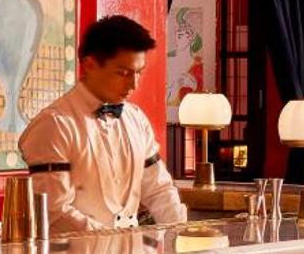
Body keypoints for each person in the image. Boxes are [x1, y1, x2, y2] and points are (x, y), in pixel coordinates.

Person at [18, 15, 187, 235]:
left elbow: (159, 190)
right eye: (123, 73)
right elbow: (56, 213)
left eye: (138, 73)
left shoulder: (136, 120)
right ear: (90, 64)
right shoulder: (54, 125)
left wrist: (183, 235)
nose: (133, 84)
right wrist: (115, 241)